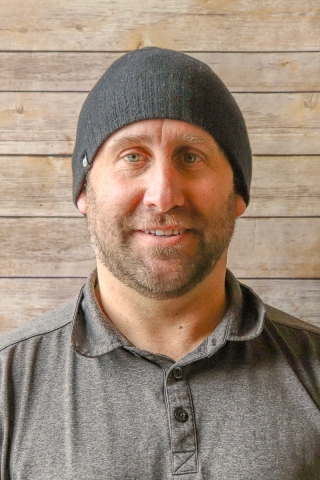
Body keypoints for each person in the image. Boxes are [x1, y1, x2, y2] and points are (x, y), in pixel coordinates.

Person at [0, 47, 319, 479]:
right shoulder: (8, 385)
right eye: (132, 156)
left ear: (238, 192)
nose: (163, 196)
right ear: (83, 192)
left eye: (191, 156)